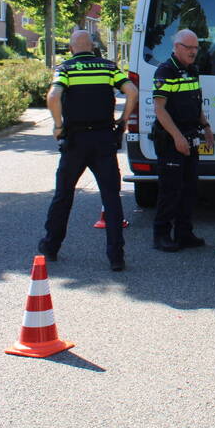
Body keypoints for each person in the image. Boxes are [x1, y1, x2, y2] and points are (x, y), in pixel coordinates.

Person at [38, 30, 137, 271]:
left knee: (64, 194)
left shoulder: (66, 69)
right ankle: (116, 257)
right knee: (111, 198)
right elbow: (132, 91)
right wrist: (122, 122)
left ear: (72, 48)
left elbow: (53, 96)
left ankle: (51, 246)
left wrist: (59, 126)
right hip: (104, 138)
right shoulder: (108, 68)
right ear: (92, 47)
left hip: (75, 140)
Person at [151, 29, 214, 252]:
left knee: (189, 189)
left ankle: (184, 233)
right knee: (170, 190)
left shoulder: (192, 70)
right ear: (176, 47)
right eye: (189, 48)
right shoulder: (165, 70)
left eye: (196, 48)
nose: (193, 52)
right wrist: (177, 137)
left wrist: (206, 127)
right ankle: (161, 235)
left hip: (191, 136)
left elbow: (196, 104)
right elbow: (160, 109)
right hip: (171, 140)